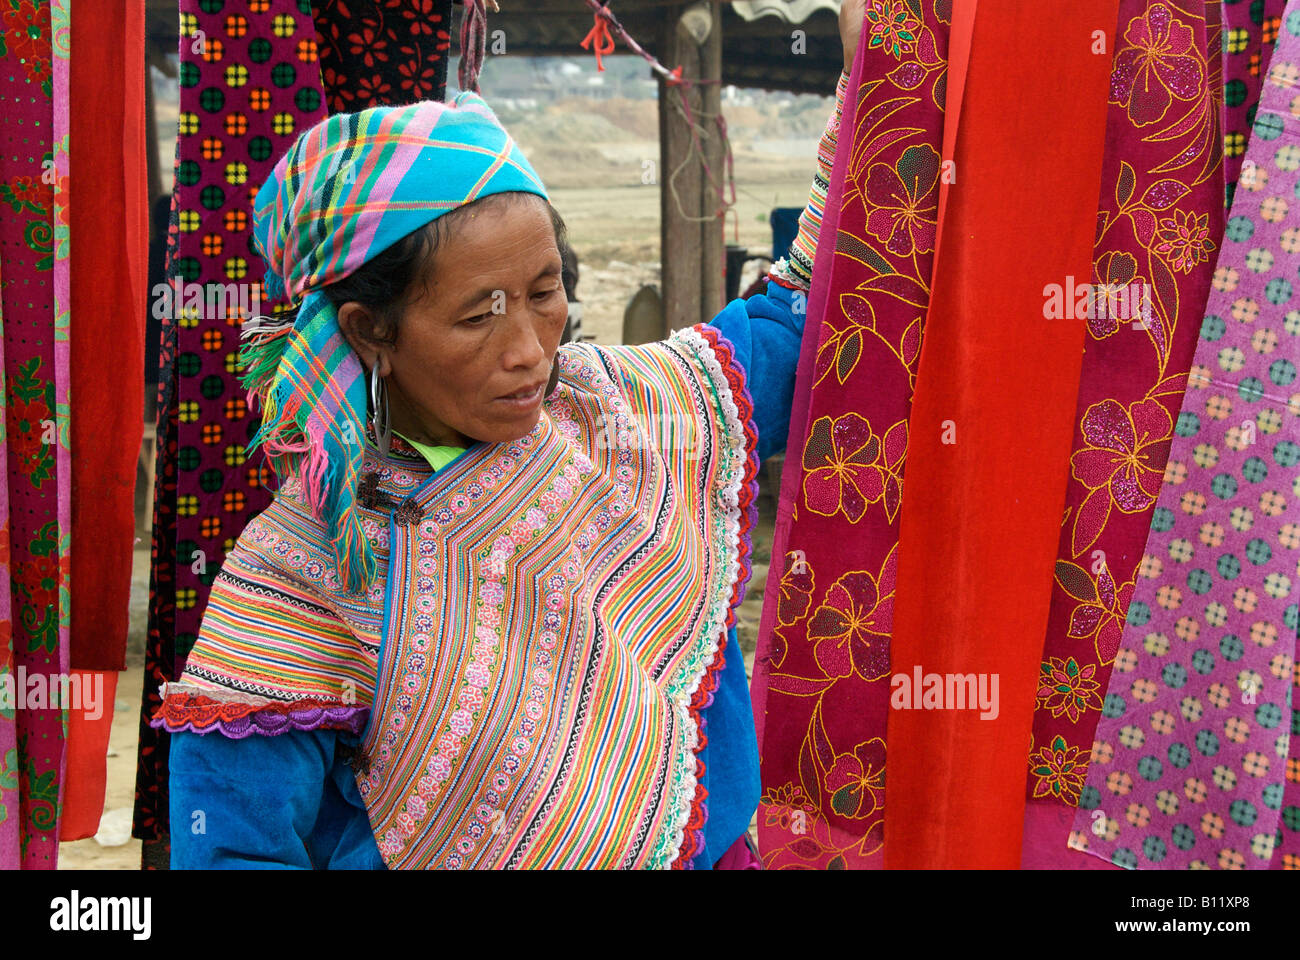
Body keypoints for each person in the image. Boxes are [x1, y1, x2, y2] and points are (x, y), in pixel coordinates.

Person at [151, 7, 862, 870]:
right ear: (372, 330)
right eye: (477, 314)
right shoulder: (309, 571)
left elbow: (803, 309)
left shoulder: (626, 413)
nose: (530, 351)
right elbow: (233, 847)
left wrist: (881, 79)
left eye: (545, 291)